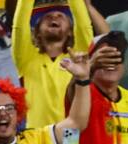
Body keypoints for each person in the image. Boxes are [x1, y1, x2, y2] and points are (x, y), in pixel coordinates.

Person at [13, 0, 94, 128]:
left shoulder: (78, 58)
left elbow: (84, 25)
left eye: (61, 16)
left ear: (70, 31)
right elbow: (19, 26)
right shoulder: (26, 58)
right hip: (35, 134)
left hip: (69, 134)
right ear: (37, 31)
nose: (54, 18)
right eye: (48, 17)